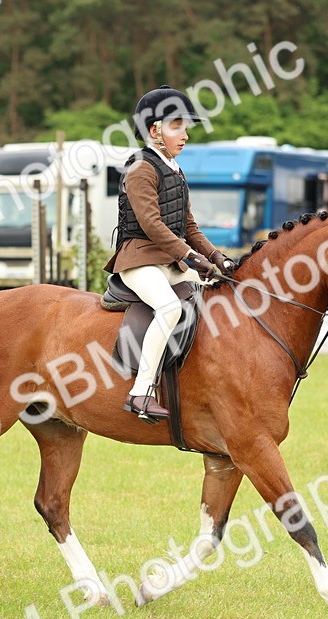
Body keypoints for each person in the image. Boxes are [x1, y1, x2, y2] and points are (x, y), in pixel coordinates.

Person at [106, 85, 237, 422]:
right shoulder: (140, 167)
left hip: (168, 261)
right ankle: (140, 392)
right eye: (177, 126)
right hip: (138, 259)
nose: (186, 135)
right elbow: (151, 224)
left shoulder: (175, 171)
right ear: (155, 130)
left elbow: (189, 226)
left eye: (186, 127)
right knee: (168, 307)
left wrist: (216, 257)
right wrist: (192, 259)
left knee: (216, 296)